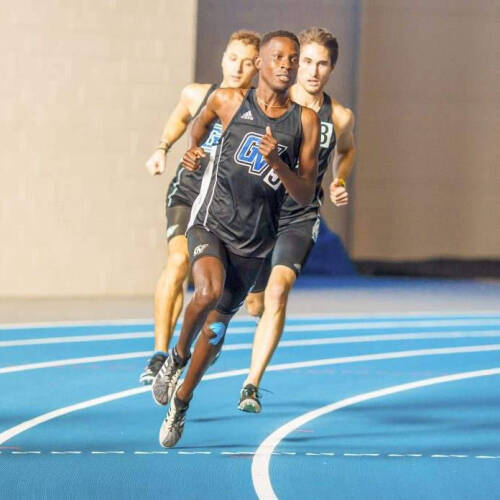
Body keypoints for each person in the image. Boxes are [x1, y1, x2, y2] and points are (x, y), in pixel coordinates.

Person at [153, 30, 320, 447]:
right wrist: (193, 152)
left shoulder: (305, 121)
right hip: (211, 221)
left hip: (256, 241)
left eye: (293, 59)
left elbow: (304, 192)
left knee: (217, 328)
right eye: (278, 57)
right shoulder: (229, 100)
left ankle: (182, 402)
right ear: (260, 63)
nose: (286, 64)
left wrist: (277, 164)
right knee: (206, 290)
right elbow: (200, 124)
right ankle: (174, 358)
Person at [239, 27, 356, 412]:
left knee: (278, 292)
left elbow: (348, 151)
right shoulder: (274, 101)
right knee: (255, 304)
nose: (312, 71)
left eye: (322, 64)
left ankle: (251, 385)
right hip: (260, 213)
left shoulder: (338, 116)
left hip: (301, 215)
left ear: (331, 68)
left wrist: (338, 179)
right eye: (306, 61)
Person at [139, 31, 260, 384]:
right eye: (233, 57)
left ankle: (202, 346)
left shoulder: (258, 109)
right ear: (223, 57)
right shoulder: (197, 94)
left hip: (225, 206)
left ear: (258, 68)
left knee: (216, 290)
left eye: (248, 61)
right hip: (189, 193)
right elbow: (179, 119)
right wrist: (162, 148)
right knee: (177, 262)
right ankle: (160, 354)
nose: (239, 66)